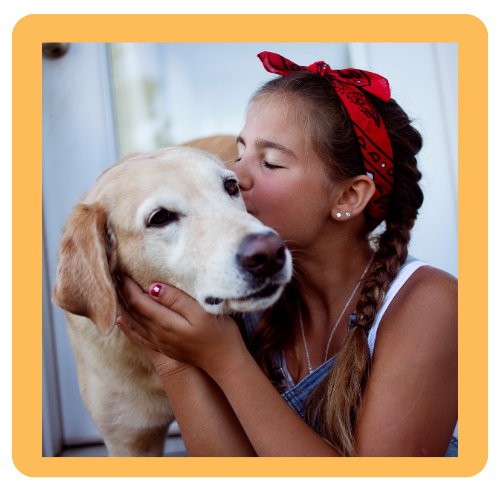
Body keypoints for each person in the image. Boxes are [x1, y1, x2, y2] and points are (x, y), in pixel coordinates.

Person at [115, 52, 458, 457]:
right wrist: (174, 359)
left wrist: (226, 360)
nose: (235, 177)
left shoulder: (430, 304)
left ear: (348, 196)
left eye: (270, 162)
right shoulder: (243, 296)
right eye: (239, 154)